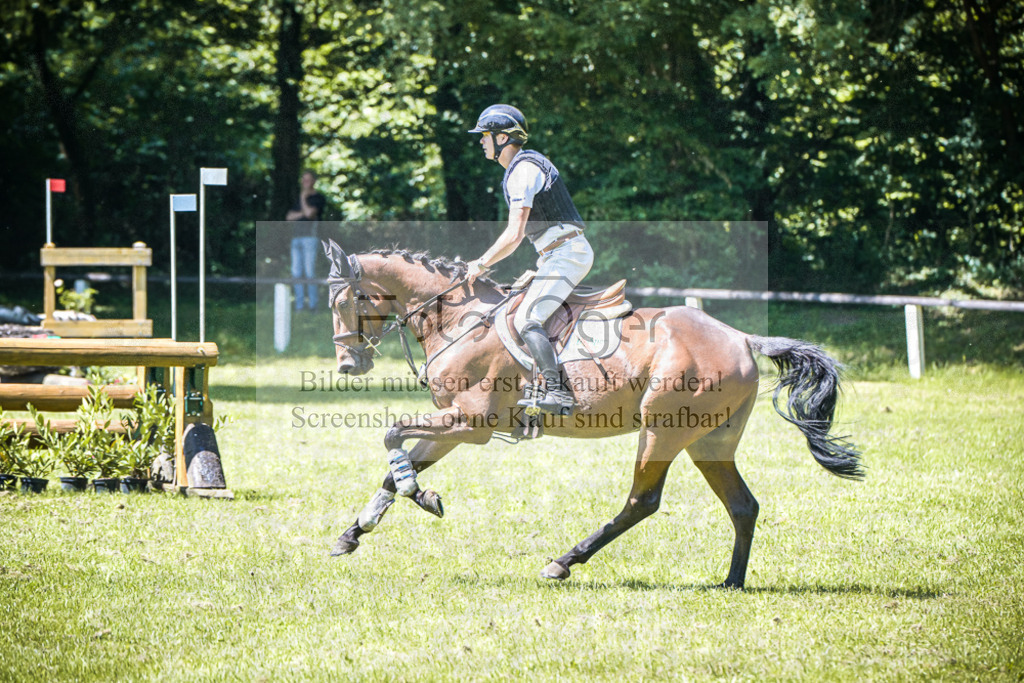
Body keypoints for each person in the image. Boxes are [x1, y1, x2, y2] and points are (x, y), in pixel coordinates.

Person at [465, 104, 594, 415]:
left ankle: (558, 394)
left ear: (503, 138)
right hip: (555, 254)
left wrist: (480, 264)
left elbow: (514, 236)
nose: (481, 141)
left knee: (527, 318)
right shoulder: (520, 169)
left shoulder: (524, 170)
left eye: (485, 135)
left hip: (567, 254)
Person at [286, 170, 327, 311]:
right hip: (296, 238)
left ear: (314, 181)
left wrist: (303, 198)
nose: (305, 183)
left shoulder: (318, 198)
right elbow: (289, 217)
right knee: (296, 273)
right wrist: (303, 211)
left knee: (310, 273)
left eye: (308, 180)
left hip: (310, 238)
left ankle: (313, 305)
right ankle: (299, 306)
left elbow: (310, 214)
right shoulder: (297, 199)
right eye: (303, 180)